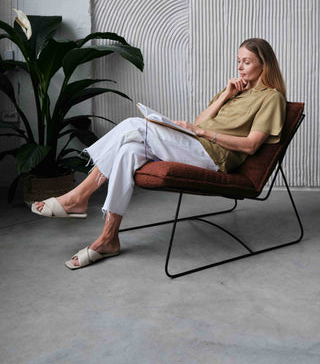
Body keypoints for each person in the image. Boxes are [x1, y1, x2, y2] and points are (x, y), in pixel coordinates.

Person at [32, 38, 287, 270]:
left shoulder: (271, 98)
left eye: (247, 62)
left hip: (214, 157)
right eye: (238, 61)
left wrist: (200, 132)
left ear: (264, 65)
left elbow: (252, 145)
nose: (240, 67)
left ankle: (78, 197)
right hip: (194, 143)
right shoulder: (235, 89)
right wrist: (226, 96)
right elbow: (202, 119)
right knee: (129, 151)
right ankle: (109, 237)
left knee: (133, 125)